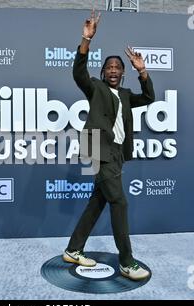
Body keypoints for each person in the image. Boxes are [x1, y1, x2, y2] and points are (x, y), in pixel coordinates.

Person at [62, 11, 155, 281]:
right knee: (120, 202)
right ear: (103, 72)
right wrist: (85, 39)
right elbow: (78, 72)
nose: (113, 70)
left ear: (123, 72)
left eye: (118, 67)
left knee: (98, 201)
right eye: (109, 67)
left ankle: (73, 249)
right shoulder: (95, 88)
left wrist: (143, 71)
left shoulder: (126, 95)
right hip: (97, 148)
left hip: (115, 153)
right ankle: (126, 261)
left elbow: (149, 96)